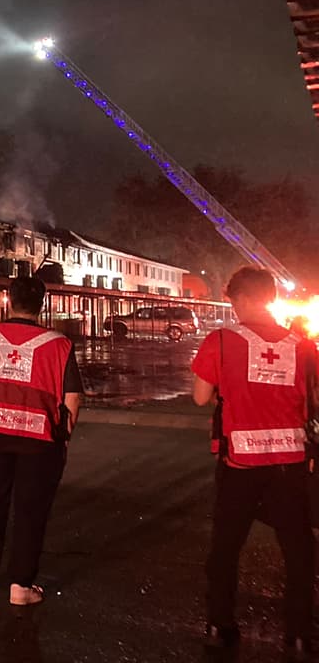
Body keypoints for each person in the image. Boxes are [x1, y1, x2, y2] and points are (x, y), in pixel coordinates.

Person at [192, 267, 315, 656]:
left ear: (242, 298)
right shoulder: (304, 346)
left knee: (226, 546)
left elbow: (199, 397)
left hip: (239, 464)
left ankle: (219, 624)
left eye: (232, 301)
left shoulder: (222, 342)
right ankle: (298, 632)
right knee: (297, 547)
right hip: (290, 461)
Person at [0, 275, 81, 606]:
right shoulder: (59, 344)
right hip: (40, 440)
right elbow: (72, 396)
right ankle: (21, 586)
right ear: (42, 305)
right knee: (31, 510)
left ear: (9, 300)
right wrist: (64, 435)